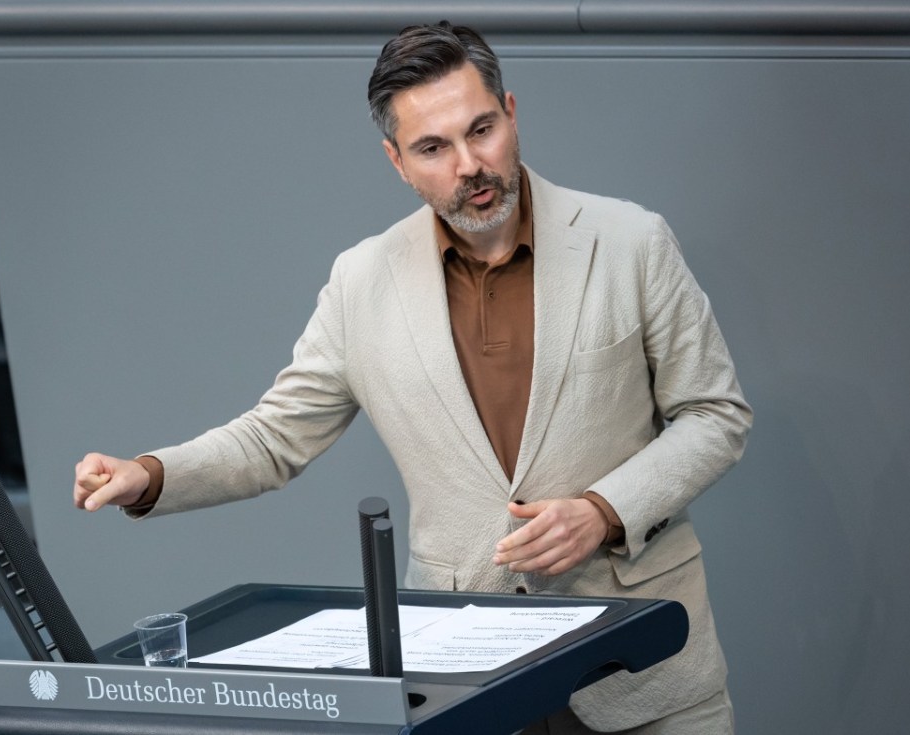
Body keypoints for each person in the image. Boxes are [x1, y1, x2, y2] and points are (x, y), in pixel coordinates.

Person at [73, 21, 751, 734]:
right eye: (433, 147)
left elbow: (716, 414)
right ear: (397, 161)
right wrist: (150, 474)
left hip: (642, 668)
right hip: (471, 680)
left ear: (512, 113)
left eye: (481, 129)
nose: (470, 165)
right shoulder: (361, 279)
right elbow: (275, 437)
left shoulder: (631, 242)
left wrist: (602, 509)